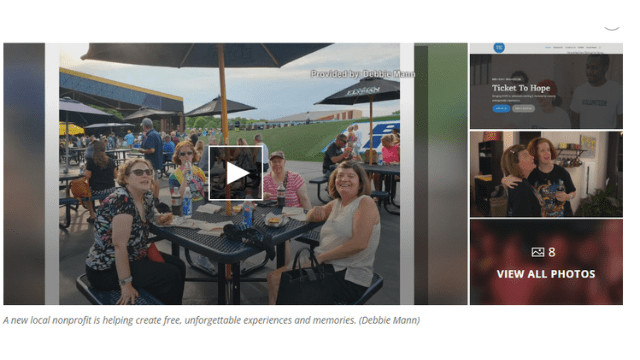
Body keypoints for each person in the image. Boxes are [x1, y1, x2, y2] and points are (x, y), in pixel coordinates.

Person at [267, 161, 380, 305]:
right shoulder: (337, 203)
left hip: (348, 275)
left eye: (351, 176)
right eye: (340, 176)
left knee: (288, 288)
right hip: (326, 265)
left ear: (360, 182)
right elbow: (310, 215)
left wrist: (320, 258)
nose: (344, 179)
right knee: (273, 277)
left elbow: (359, 244)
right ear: (334, 181)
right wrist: (314, 212)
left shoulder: (365, 202)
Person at [85, 158, 186, 305]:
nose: (145, 175)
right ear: (125, 178)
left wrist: (160, 217)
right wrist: (125, 285)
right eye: (138, 172)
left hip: (135, 255)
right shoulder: (122, 200)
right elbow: (119, 246)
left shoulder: (147, 196)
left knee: (179, 265)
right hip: (107, 268)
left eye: (148, 172)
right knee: (170, 275)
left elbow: (152, 216)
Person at [502, 138, 577, 217]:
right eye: (542, 151)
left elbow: (573, 192)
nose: (547, 153)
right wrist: (504, 181)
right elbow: (519, 187)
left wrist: (568, 197)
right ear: (536, 154)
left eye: (548, 150)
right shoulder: (531, 173)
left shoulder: (562, 171)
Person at [570, 55, 623, 129]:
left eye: (594, 68)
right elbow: (574, 121)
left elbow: (622, 122)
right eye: (587, 67)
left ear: (606, 69)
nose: (589, 72)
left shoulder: (618, 90)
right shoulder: (579, 91)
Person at [500, 144, 544, 217]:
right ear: (515, 164)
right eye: (526, 155)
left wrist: (503, 180)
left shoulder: (525, 180)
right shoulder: (520, 188)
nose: (532, 157)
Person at [83, 141, 118, 223]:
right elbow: (116, 175)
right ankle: (105, 212)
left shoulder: (91, 162)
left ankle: (92, 215)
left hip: (97, 190)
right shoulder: (111, 160)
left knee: (86, 195)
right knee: (102, 193)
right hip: (111, 189)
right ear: (104, 149)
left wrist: (84, 168)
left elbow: (87, 176)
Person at [138, 118, 162, 197]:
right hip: (157, 160)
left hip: (151, 162)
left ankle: (153, 199)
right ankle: (156, 198)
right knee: (156, 180)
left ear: (144, 127)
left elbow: (151, 150)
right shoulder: (157, 134)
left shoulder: (151, 135)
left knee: (151, 181)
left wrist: (142, 150)